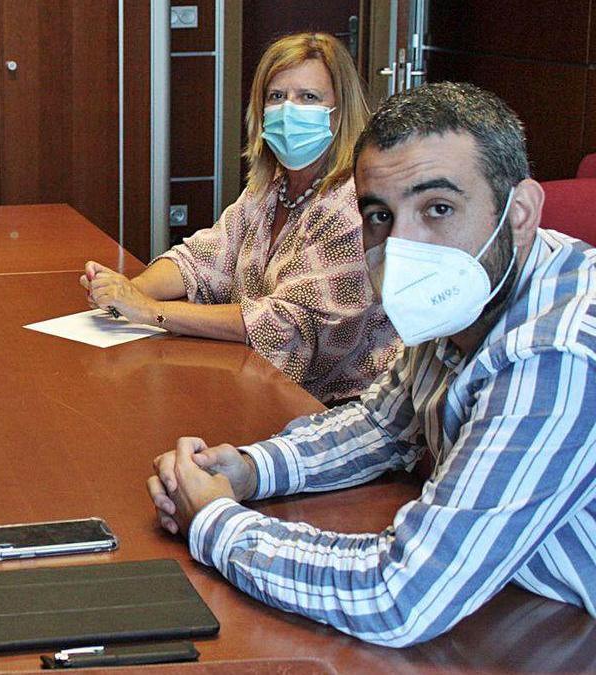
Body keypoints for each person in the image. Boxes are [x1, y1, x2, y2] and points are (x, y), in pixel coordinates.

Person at [146, 82, 596, 647]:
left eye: (438, 208)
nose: (405, 248)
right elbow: (382, 423)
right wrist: (248, 469)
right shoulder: (474, 292)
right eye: (380, 214)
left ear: (521, 212)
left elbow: (399, 595)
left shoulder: (559, 353)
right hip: (516, 604)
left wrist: (214, 522)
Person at [83, 33, 398, 404]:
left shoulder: (354, 205)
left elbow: (286, 325)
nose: (288, 110)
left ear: (340, 111)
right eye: (276, 97)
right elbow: (202, 259)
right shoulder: (271, 188)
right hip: (258, 383)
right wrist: (127, 291)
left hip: (339, 408)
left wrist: (151, 311)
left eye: (308, 97)